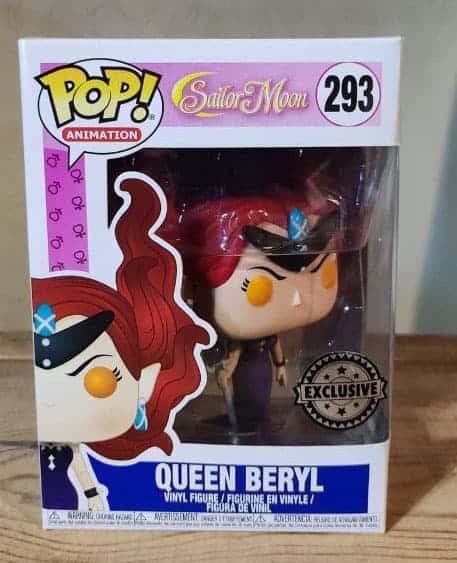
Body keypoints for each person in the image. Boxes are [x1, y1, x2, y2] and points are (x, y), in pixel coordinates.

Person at [32, 175, 213, 510]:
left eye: (98, 376)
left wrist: (92, 496)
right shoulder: (52, 435)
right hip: (52, 508)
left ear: (142, 380)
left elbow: (82, 470)